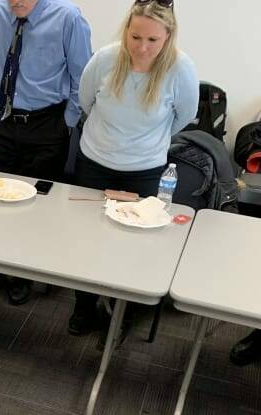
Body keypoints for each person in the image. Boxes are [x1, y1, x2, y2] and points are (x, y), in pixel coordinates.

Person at [68, 0, 198, 335]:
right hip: (95, 162)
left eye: (152, 41)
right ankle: (83, 307)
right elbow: (86, 101)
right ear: (127, 29)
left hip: (144, 170)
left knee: (132, 244)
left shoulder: (180, 70)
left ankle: (121, 313)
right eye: (135, 37)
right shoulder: (106, 59)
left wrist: (145, 143)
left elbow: (182, 117)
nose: (141, 48)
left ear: (168, 36)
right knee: (86, 240)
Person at [0, 0, 92, 303]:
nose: (16, 2)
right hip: (3, 120)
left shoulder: (69, 19)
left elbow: (84, 78)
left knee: (34, 203)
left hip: (47, 123)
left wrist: (66, 123)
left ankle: (22, 272)